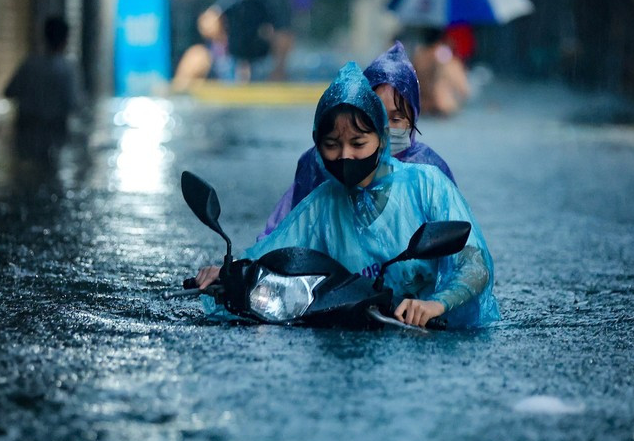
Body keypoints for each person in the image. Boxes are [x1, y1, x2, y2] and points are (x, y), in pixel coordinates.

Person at [196, 62, 500, 328]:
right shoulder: (321, 205)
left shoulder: (426, 183)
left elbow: (474, 263)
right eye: (332, 144)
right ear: (317, 145)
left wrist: (436, 303)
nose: (345, 156)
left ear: (381, 139)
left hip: (427, 335)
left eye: (358, 143)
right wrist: (229, 272)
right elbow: (273, 251)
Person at [258, 41, 455, 240]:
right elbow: (281, 232)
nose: (385, 129)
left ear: (413, 119)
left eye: (396, 119)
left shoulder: (429, 173)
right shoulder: (322, 163)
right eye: (378, 117)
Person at [4, 16, 82, 162]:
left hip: (26, 130)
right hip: (54, 132)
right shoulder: (67, 69)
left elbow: (8, 92)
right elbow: (73, 103)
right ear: (66, 40)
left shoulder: (29, 65)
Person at [411, 26, 471, 116]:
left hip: (422, 105)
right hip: (442, 104)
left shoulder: (418, 56)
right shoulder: (443, 54)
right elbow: (463, 89)